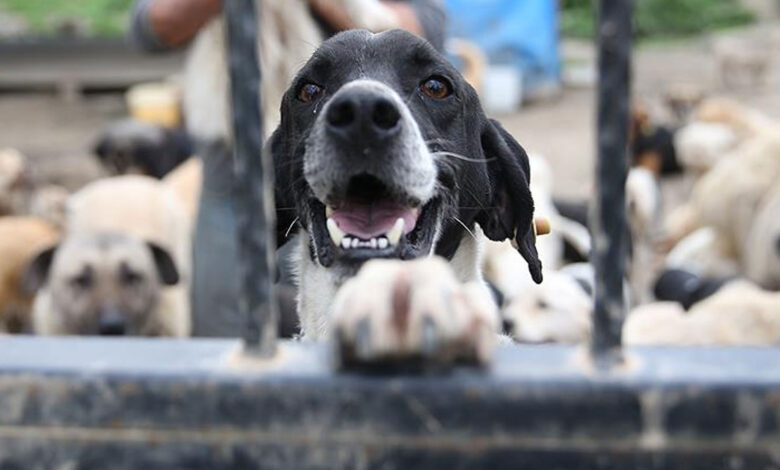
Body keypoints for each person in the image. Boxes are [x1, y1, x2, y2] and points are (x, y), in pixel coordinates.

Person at [130, 0, 447, 337]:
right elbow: (152, 28)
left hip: (350, 173)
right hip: (233, 174)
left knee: (357, 334)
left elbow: (424, 33)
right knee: (228, 338)